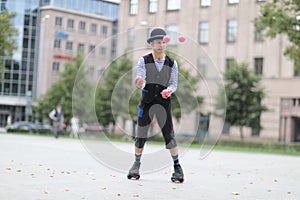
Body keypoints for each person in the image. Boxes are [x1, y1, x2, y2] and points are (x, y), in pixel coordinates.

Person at [127, 28, 184, 183]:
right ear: (151, 44)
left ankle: (177, 168)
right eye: (157, 42)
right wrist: (140, 83)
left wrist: (169, 91)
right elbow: (142, 78)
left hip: (163, 103)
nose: (161, 45)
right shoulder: (143, 61)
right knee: (141, 135)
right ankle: (136, 164)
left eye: (163, 42)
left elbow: (174, 83)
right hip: (146, 102)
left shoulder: (172, 63)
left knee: (169, 135)